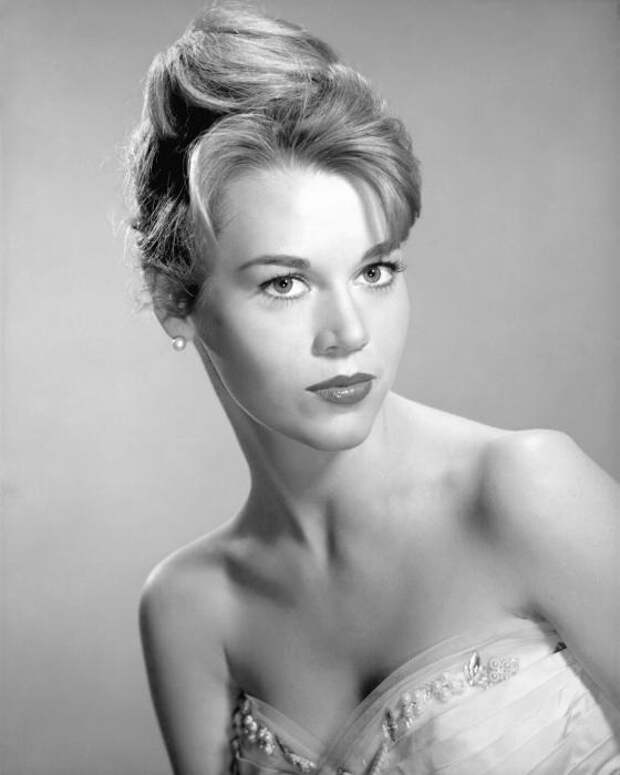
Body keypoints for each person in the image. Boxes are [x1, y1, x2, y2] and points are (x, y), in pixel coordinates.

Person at [126, 4, 620, 773]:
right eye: (285, 282)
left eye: (375, 270)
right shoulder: (189, 609)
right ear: (173, 299)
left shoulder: (524, 489)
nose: (350, 332)